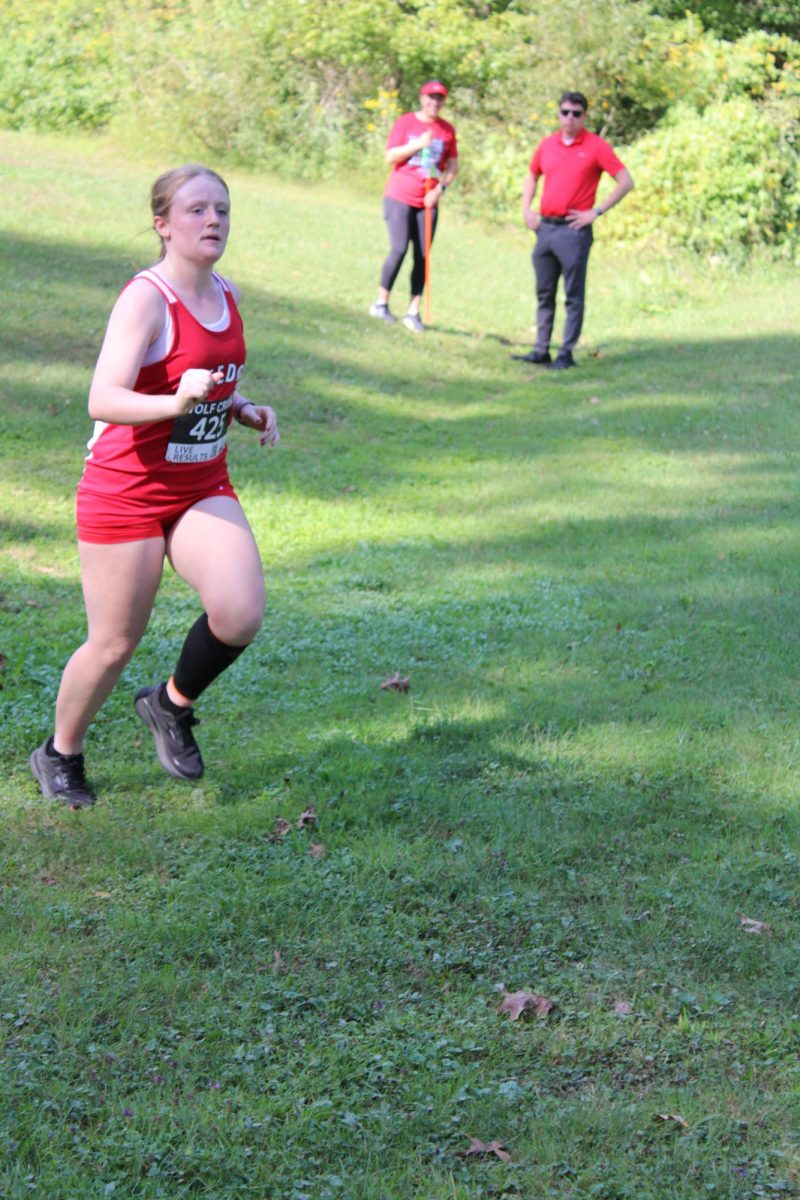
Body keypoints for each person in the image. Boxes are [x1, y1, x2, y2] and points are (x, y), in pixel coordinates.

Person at [28, 164, 279, 809]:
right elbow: (103, 397)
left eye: (222, 209)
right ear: (163, 225)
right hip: (127, 488)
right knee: (113, 641)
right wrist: (173, 403)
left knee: (240, 610)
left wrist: (240, 406)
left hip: (199, 482)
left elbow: (210, 379)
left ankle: (169, 705)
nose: (214, 220)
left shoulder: (227, 293)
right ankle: (61, 752)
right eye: (196, 210)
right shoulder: (146, 298)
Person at [515, 91, 633, 369]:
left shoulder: (595, 146)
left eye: (576, 114)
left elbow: (626, 181)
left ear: (584, 117)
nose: (570, 118)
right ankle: (541, 349)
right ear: (558, 114)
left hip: (573, 230)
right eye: (565, 112)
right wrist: (526, 209)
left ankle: (565, 353)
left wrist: (596, 211)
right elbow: (533, 174)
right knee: (544, 292)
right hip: (546, 227)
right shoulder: (547, 145)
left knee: (573, 295)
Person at [369, 80, 458, 332]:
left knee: (422, 256)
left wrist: (440, 189)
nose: (434, 103)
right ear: (421, 98)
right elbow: (390, 156)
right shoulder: (406, 122)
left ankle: (413, 311)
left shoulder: (447, 130)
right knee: (398, 249)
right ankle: (381, 303)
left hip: (428, 200)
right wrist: (417, 145)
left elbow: (452, 166)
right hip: (400, 195)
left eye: (439, 98)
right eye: (430, 97)